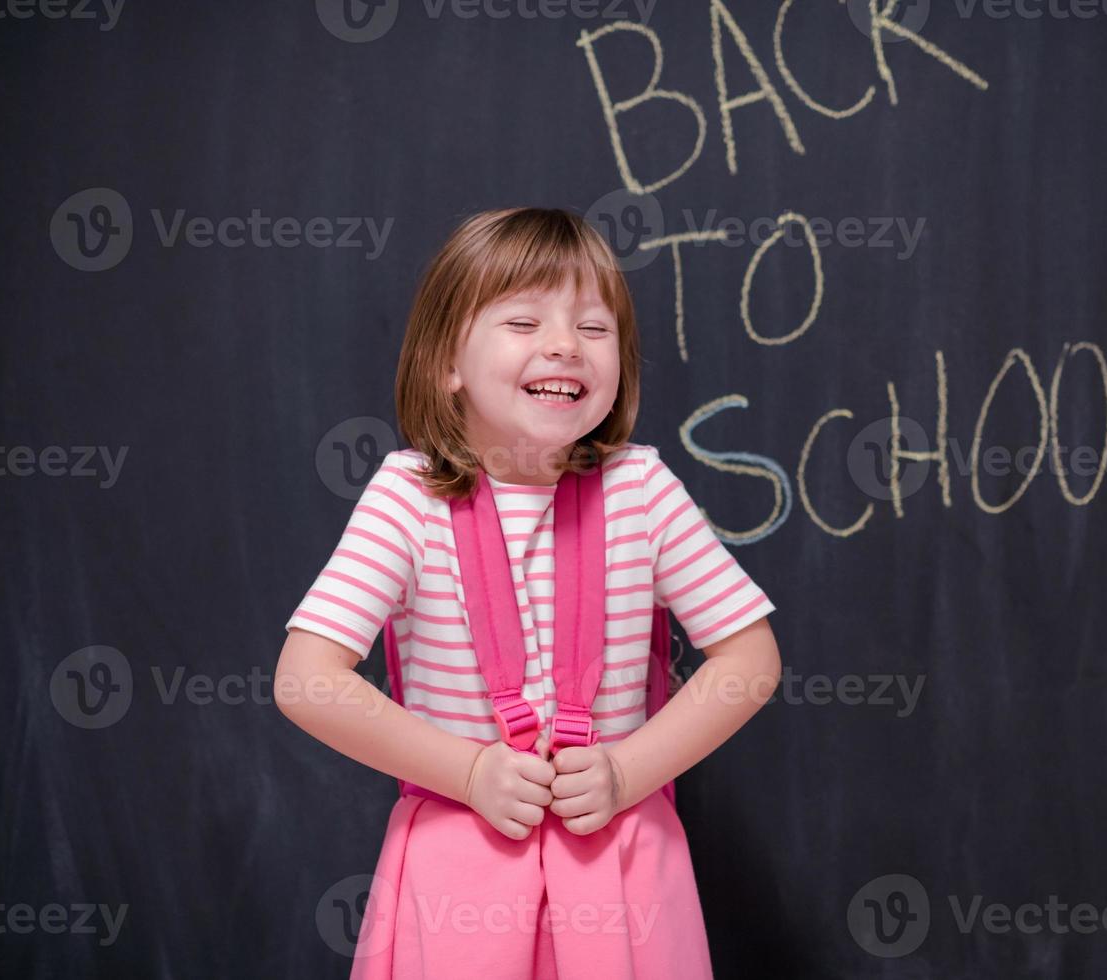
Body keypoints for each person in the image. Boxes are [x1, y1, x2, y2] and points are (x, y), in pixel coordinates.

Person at [273, 207, 782, 978]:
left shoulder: (641, 487)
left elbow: (750, 659)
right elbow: (307, 682)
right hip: (460, 863)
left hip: (621, 864)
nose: (563, 346)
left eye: (594, 327)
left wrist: (626, 772)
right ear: (449, 360)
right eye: (523, 319)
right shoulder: (406, 498)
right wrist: (469, 772)